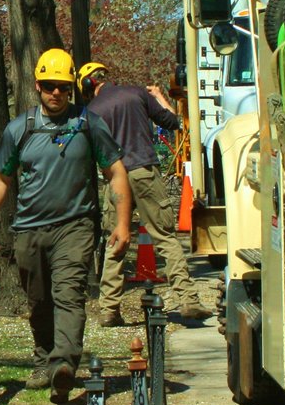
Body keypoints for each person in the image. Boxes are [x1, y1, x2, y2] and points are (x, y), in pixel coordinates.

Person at [0, 48, 132, 404]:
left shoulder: (89, 124)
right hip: (30, 229)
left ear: (72, 88)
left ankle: (64, 365)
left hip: (75, 226)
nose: (56, 93)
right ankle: (43, 359)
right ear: (37, 86)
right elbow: (0, 178)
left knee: (69, 293)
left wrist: (123, 223)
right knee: (39, 300)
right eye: (49, 86)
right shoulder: (21, 129)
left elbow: (116, 173)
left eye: (63, 87)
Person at [80, 61, 214, 324]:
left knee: (116, 239)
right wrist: (160, 97)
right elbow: (172, 122)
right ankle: (188, 301)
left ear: (88, 85)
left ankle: (109, 309)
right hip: (144, 171)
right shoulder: (137, 93)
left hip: (114, 179)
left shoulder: (90, 112)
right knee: (164, 236)